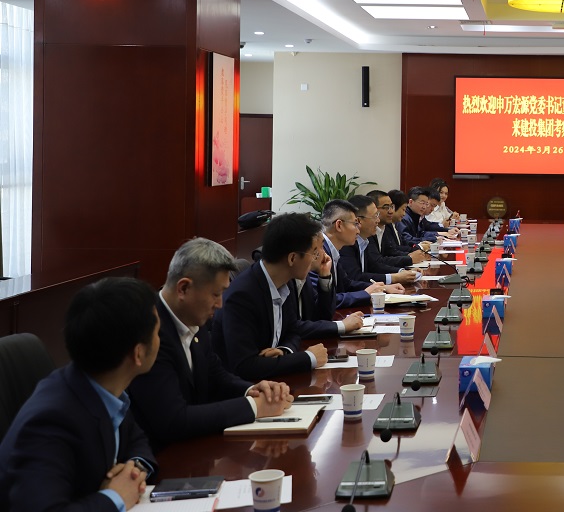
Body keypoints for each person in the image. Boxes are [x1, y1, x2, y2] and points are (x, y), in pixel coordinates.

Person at [0, 277, 159, 512]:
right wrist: (115, 497)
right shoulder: (51, 422)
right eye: (157, 333)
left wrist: (134, 470)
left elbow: (135, 438)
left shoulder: (103, 387)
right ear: (138, 353)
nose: (160, 340)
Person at [128, 238, 293, 451]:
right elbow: (173, 420)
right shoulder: (149, 333)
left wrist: (253, 390)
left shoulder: (195, 319)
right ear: (183, 288)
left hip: (197, 449)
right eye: (216, 294)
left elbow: (216, 376)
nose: (220, 304)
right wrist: (253, 407)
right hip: (161, 457)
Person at [213, 213, 330, 379]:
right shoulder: (242, 296)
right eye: (314, 253)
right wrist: (308, 358)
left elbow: (293, 331)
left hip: (273, 380)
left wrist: (284, 351)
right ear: (292, 258)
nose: (317, 259)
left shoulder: (285, 281)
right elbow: (245, 366)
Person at [339, 194, 421, 286]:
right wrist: (393, 278)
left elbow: (374, 265)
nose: (378, 220)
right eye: (375, 216)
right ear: (358, 221)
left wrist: (402, 271)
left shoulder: (364, 240)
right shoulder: (346, 244)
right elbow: (355, 277)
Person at [370, 189, 429, 268]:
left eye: (391, 207)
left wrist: (414, 254)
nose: (391, 211)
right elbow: (377, 262)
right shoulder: (370, 232)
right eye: (386, 207)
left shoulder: (383, 228)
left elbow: (391, 251)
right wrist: (410, 258)